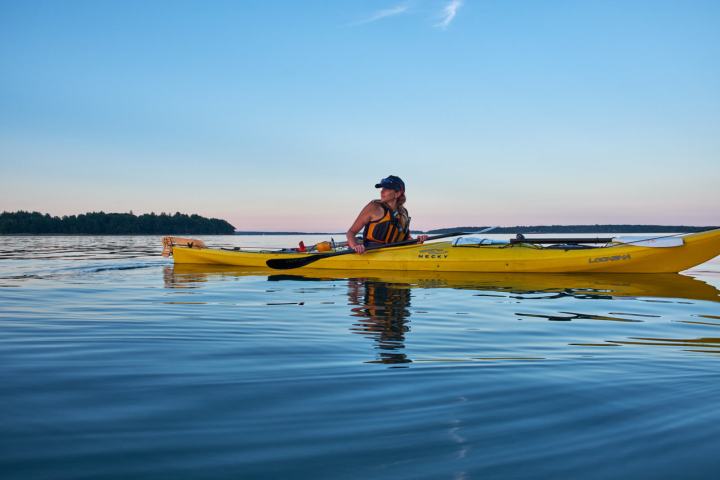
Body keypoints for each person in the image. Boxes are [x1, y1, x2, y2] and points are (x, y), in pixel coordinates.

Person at [346, 175, 428, 254]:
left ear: (398, 193)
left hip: (393, 254)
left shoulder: (403, 213)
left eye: (387, 188)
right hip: (371, 252)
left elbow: (406, 239)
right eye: (382, 188)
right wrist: (355, 246)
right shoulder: (374, 207)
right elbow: (351, 232)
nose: (382, 191)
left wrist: (418, 241)